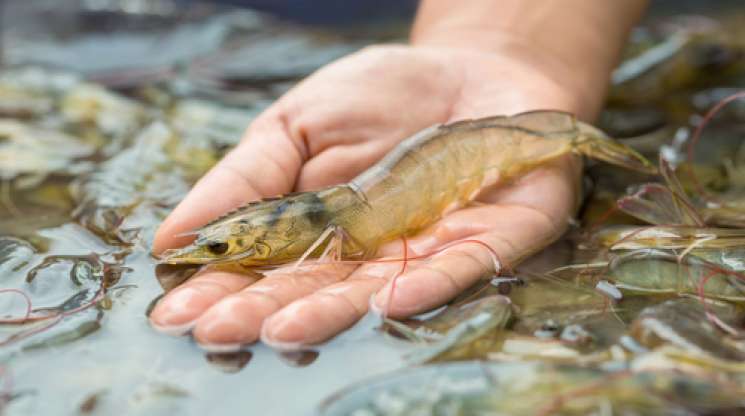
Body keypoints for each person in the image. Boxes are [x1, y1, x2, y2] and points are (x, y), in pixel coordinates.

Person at [149, 0, 648, 351]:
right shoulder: (304, 217)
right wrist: (504, 48)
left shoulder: (324, 222)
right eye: (219, 248)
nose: (212, 253)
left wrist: (517, 52)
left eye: (219, 248)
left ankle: (572, 136)